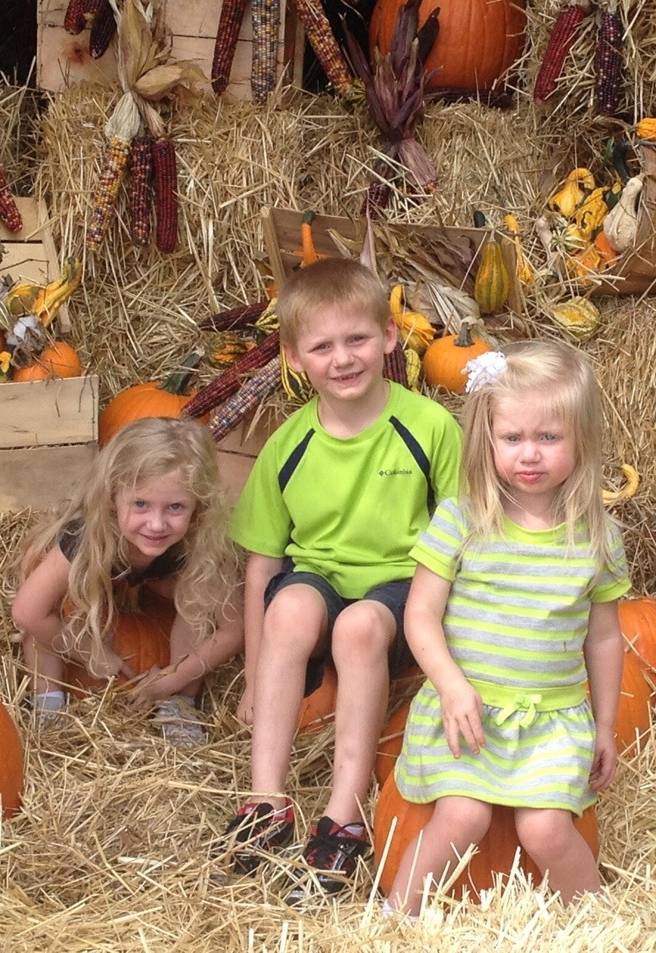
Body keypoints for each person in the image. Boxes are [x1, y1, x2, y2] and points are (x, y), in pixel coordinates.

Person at [222, 256, 462, 900]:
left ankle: (345, 815)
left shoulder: (429, 427)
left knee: (358, 627)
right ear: (294, 360)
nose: (343, 358)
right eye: (322, 347)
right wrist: (254, 675)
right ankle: (266, 801)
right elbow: (263, 565)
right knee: (290, 607)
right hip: (319, 584)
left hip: (403, 593)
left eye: (357, 339)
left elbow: (464, 540)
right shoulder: (288, 444)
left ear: (389, 337)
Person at [386, 339, 630, 916]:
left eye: (549, 437)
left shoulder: (597, 537)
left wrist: (606, 724)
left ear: (581, 440)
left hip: (551, 723)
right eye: (513, 438)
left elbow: (602, 638)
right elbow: (419, 615)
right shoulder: (462, 519)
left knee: (546, 830)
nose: (530, 454)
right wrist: (451, 686)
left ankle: (599, 922)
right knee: (462, 816)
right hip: (468, 712)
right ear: (487, 440)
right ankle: (396, 917)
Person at [12, 416, 244, 745]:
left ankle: (179, 705)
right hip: (99, 583)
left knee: (201, 598)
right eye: (141, 504)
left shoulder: (200, 542)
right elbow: (27, 612)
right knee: (51, 612)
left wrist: (170, 680)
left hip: (158, 582)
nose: (156, 524)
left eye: (176, 507)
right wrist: (90, 653)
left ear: (199, 507)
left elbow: (234, 630)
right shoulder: (88, 536)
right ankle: (48, 705)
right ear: (112, 498)